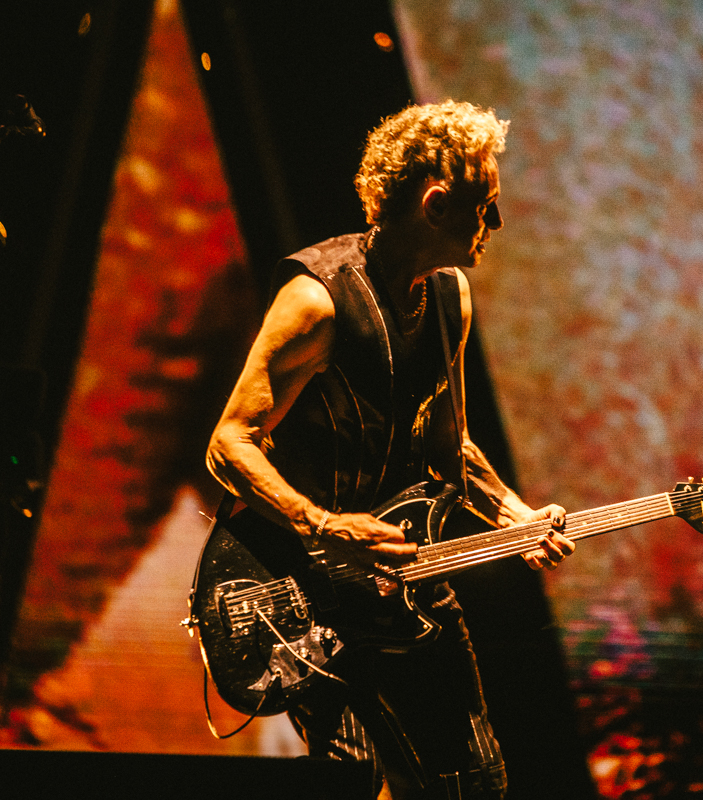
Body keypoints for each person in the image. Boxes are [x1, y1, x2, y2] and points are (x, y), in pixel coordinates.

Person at [206, 100, 575, 800]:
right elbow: (229, 443)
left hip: (406, 583)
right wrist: (324, 525)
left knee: (475, 785)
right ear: (436, 204)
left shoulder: (449, 298)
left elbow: (449, 444)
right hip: (302, 592)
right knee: (357, 781)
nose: (496, 222)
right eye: (485, 205)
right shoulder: (317, 301)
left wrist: (515, 515)